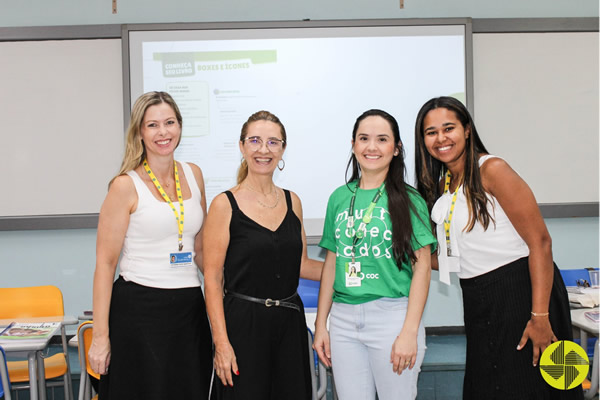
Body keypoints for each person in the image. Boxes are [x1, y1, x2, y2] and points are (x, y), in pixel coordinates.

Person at [414, 96, 582, 399]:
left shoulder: (492, 168)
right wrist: (405, 252)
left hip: (522, 294)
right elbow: (458, 258)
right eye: (431, 132)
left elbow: (540, 243)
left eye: (448, 128)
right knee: (489, 388)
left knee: (532, 388)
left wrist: (540, 317)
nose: (440, 138)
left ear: (467, 130)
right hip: (479, 299)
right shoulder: (445, 185)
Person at [88, 91, 213, 399]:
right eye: (153, 125)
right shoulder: (124, 186)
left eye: (169, 122)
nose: (163, 132)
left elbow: (201, 250)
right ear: (140, 133)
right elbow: (105, 265)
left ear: (180, 127)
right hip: (139, 311)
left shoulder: (194, 174)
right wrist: (101, 336)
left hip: (188, 309)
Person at [313, 109, 436, 400]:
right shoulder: (339, 198)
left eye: (382, 139)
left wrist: (409, 331)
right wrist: (321, 324)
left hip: (393, 317)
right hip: (342, 320)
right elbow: (331, 263)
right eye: (364, 138)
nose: (372, 147)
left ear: (396, 149)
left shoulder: (410, 200)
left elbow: (422, 268)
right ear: (353, 145)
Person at [203, 110, 323, 399]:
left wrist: (353, 267)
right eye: (255, 140)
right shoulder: (224, 204)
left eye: (273, 142)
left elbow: (302, 265)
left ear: (282, 149)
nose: (263, 149)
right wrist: (221, 343)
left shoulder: (292, 201)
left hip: (289, 327)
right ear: (242, 146)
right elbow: (213, 279)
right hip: (242, 327)